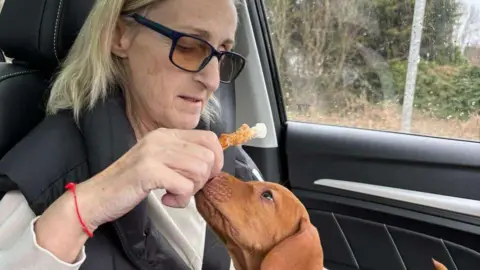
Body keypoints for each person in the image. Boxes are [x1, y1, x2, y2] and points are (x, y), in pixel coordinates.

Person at [0, 0, 261, 269]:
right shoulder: (47, 170)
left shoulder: (222, 149)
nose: (213, 80)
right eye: (189, 46)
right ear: (119, 35)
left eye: (222, 54)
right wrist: (89, 204)